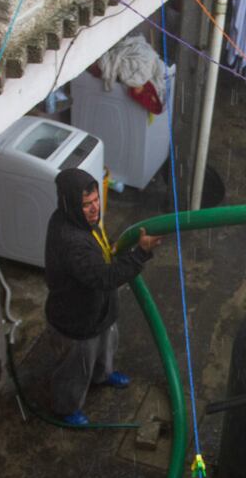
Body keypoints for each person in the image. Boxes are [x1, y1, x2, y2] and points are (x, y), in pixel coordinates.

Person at [44, 168, 162, 425]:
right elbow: (105, 278)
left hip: (97, 311)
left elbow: (99, 245)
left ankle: (103, 375)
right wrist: (140, 255)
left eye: (96, 200)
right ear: (71, 204)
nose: (94, 208)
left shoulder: (77, 220)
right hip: (76, 320)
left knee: (105, 346)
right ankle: (65, 409)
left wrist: (112, 249)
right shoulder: (71, 241)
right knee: (76, 368)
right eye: (86, 204)